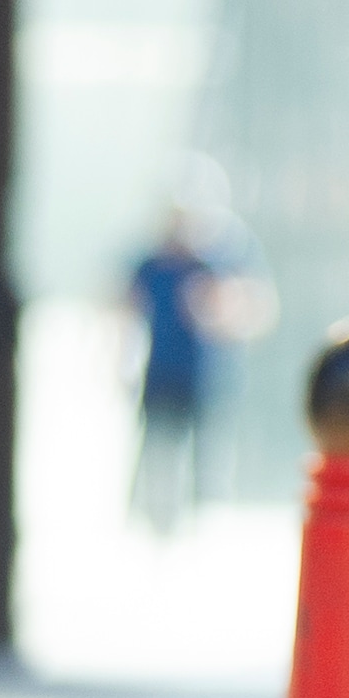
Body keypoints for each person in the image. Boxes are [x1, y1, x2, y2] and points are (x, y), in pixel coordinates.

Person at [127, 208, 221, 532]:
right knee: (151, 446)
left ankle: (191, 518)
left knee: (195, 451)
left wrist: (208, 307)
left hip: (192, 376)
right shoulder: (150, 267)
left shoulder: (203, 268)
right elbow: (125, 306)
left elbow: (236, 312)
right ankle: (144, 514)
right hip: (156, 373)